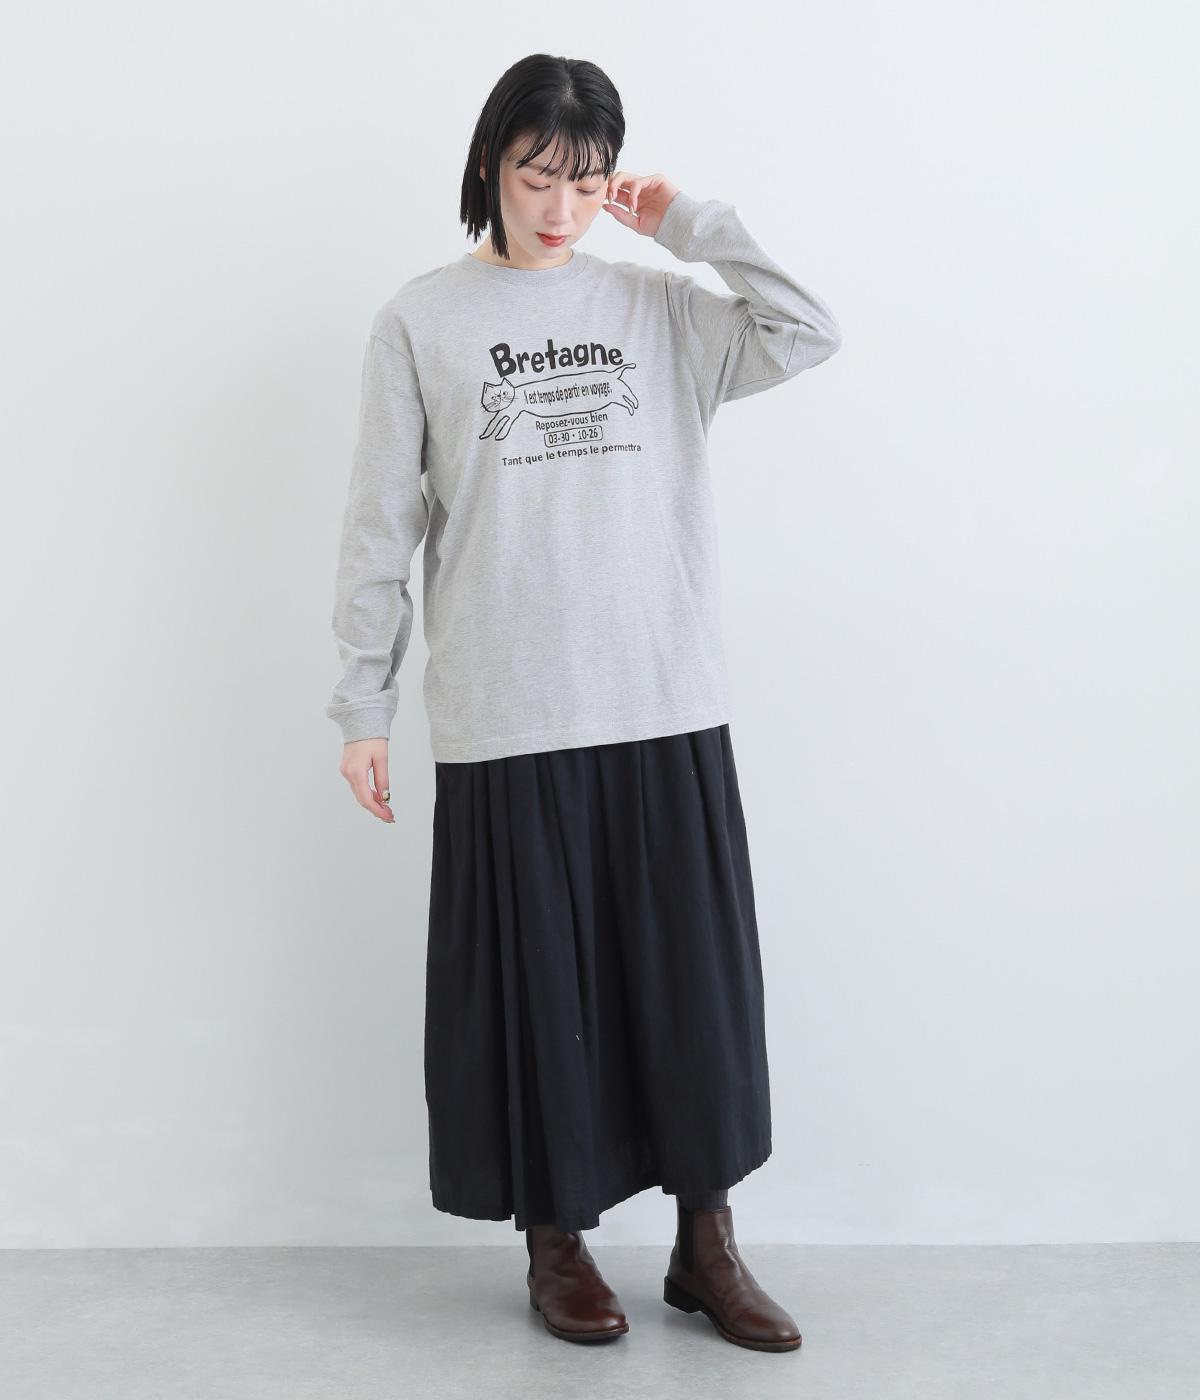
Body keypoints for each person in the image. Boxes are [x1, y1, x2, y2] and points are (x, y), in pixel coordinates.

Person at [325, 53, 841, 1353]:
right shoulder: (421, 320)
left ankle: (706, 1246)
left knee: (691, 992)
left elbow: (807, 328)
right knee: (539, 991)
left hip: (661, 694)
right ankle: (555, 1242)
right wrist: (362, 706)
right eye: (537, 175)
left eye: (587, 178)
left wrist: (688, 222)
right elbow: (380, 526)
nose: (562, 207)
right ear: (488, 167)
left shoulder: (660, 308)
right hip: (509, 709)